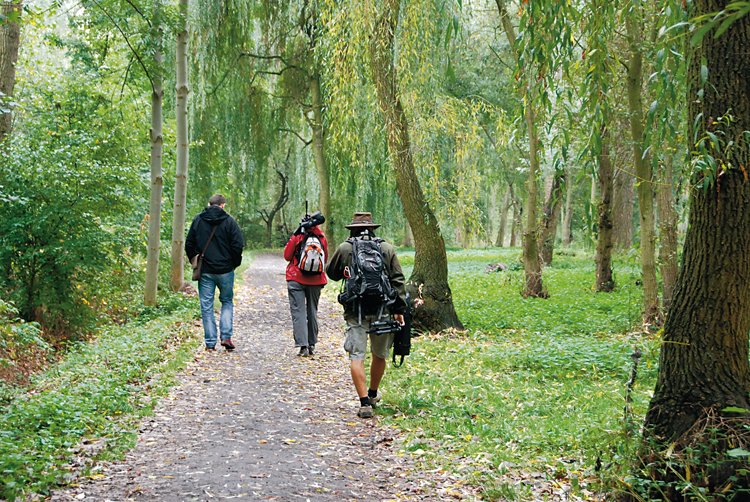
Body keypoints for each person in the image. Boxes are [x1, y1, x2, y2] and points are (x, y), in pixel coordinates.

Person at [326, 212, 407, 418]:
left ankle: (364, 404)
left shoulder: (346, 248)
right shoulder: (386, 248)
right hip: (384, 309)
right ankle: (372, 394)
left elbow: (332, 273)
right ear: (373, 228)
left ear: (351, 229)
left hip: (356, 311)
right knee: (379, 354)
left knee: (357, 355)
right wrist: (399, 310)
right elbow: (397, 280)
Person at [185, 194, 244, 351]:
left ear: (209, 204)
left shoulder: (198, 220)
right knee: (226, 301)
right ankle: (226, 337)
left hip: (205, 271)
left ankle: (210, 342)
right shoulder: (230, 222)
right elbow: (238, 245)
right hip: (225, 270)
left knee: (206, 306)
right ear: (222, 205)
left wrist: (195, 259)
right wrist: (233, 263)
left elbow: (189, 243)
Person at [283, 212, 328, 357]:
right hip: (316, 280)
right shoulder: (321, 238)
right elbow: (324, 257)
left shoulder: (298, 236)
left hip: (296, 278)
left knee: (299, 312)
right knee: (312, 311)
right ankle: (312, 344)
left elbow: (287, 256)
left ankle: (303, 346)